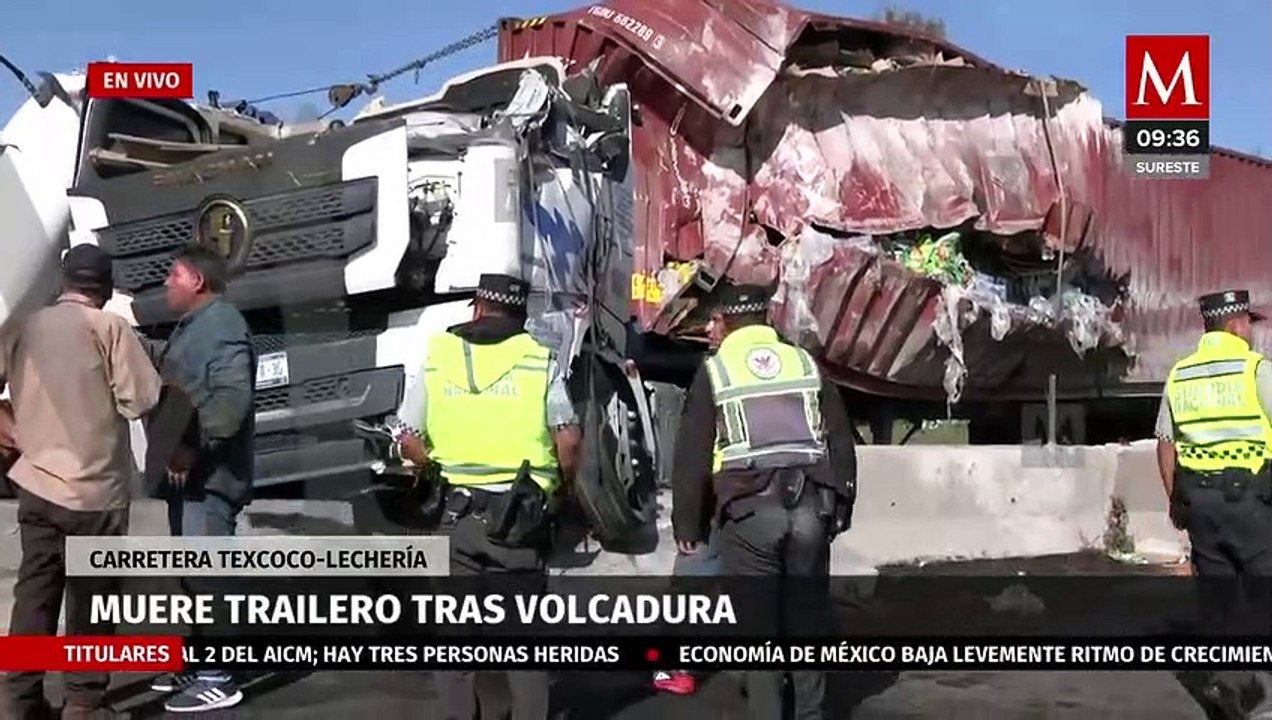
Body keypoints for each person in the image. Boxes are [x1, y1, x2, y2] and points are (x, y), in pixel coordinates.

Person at [394, 273, 581, 720]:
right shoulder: (539, 360)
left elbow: (408, 437)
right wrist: (564, 490)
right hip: (519, 520)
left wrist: (429, 470)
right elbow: (568, 438)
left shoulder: (439, 356)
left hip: (454, 516)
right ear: (521, 316)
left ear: (477, 308)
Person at [671, 282, 856, 720]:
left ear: (724, 320)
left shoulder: (716, 371)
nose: (710, 330)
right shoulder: (803, 361)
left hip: (750, 515)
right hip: (811, 509)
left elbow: (692, 454)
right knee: (806, 621)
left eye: (712, 321)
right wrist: (842, 502)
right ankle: (810, 714)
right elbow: (841, 436)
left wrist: (688, 526)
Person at [1, 245, 162, 720]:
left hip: (35, 485)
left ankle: (20, 701)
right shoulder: (108, 328)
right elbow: (140, 399)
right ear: (105, 288)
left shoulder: (27, 326)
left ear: (65, 280)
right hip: (94, 493)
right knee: (92, 600)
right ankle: (84, 704)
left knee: (35, 596)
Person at [139, 245, 256, 714]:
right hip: (187, 479)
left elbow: (231, 401)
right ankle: (201, 660)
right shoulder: (195, 327)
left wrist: (192, 447)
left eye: (174, 275)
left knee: (209, 577)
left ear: (198, 282)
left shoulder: (222, 325)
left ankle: (219, 676)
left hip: (208, 478)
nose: (167, 283)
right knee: (192, 575)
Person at [1157, 289, 1272, 720]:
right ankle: (1262, 703)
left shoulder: (1180, 375)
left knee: (1218, 600)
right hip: (1254, 504)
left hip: (1202, 507)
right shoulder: (1256, 371)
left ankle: (1224, 680)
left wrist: (1175, 500)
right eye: (1249, 324)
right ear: (1236, 324)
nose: (1252, 333)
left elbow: (1165, 443)